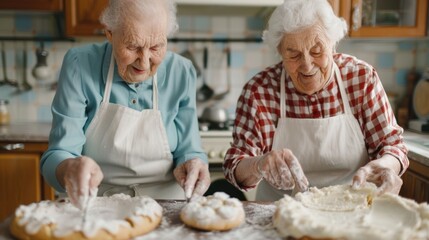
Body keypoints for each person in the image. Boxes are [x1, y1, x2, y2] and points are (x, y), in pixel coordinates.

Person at [223, 0, 408, 201]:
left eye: (316, 51)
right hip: (278, 211)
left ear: (333, 44)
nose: (307, 65)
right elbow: (235, 164)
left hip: (351, 206)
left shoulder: (361, 79)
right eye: (293, 54)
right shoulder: (259, 91)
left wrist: (386, 165)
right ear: (280, 53)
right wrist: (259, 164)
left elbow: (393, 145)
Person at [40, 0, 210, 208]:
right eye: (133, 47)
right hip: (97, 205)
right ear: (110, 33)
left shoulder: (181, 71)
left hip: (167, 205)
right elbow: (57, 154)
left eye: (156, 47)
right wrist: (69, 167)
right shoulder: (79, 64)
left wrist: (193, 163)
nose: (144, 63)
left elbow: (190, 149)